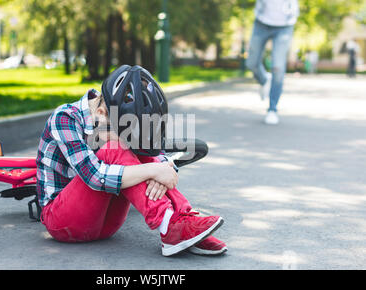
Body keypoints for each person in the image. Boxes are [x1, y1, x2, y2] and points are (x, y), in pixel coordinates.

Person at [36, 65, 227, 257]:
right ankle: (169, 225)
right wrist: (153, 170)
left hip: (107, 225)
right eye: (120, 131)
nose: (124, 138)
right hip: (63, 222)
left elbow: (158, 157)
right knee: (115, 149)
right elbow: (95, 177)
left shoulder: (113, 119)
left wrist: (162, 168)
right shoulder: (65, 118)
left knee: (141, 151)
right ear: (101, 113)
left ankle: (181, 223)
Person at [246, 0, 299, 125]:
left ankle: (272, 109)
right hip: (261, 23)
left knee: (278, 67)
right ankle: (265, 80)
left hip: (285, 25)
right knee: (251, 63)